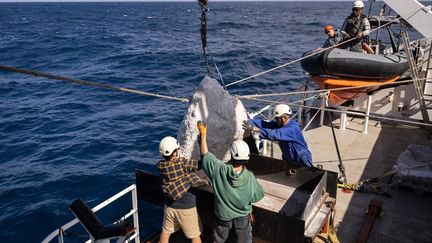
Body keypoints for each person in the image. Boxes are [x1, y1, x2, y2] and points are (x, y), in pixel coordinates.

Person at [197, 122, 264, 243]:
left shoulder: (219, 169)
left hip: (223, 216)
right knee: (244, 239)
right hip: (243, 216)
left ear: (232, 155)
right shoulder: (250, 177)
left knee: (219, 239)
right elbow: (258, 196)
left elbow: (205, 155)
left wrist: (203, 135)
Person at [157, 136, 203, 243]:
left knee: (166, 232)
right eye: (177, 150)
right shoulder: (182, 163)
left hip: (169, 206)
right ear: (173, 153)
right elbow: (201, 164)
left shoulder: (161, 166)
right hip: (186, 208)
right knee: (195, 236)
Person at [243, 104, 313, 168]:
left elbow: (275, 134)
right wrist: (249, 121)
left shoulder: (292, 129)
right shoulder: (280, 125)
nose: (276, 120)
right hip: (288, 157)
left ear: (284, 117)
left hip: (301, 158)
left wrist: (253, 128)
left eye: (277, 118)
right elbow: (265, 124)